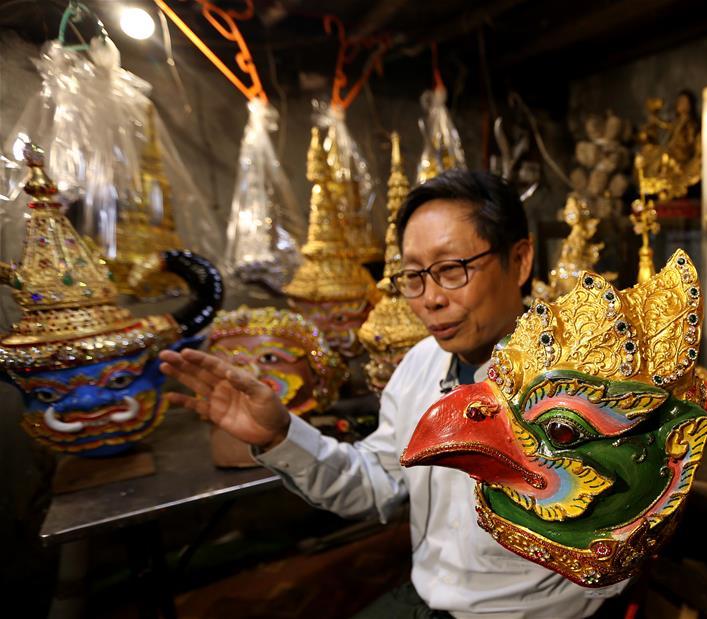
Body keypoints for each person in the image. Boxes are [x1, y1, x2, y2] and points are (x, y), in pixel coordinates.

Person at [159, 170, 627, 618]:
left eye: (451, 269)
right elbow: (378, 483)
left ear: (519, 261)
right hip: (429, 599)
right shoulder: (421, 363)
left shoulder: (578, 381)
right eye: (414, 276)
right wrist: (280, 434)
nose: (430, 299)